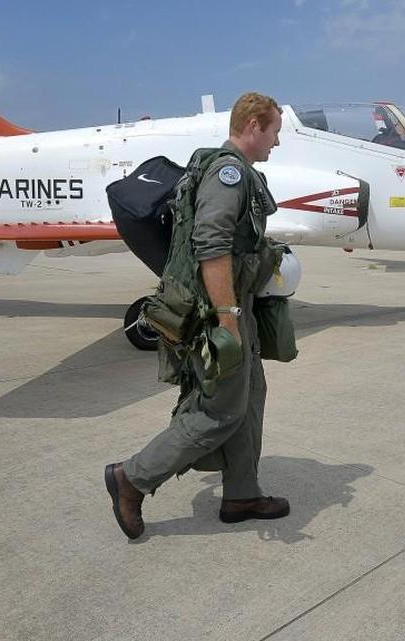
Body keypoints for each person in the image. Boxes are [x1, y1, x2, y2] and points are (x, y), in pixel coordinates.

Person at [104, 92, 289, 540]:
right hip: (217, 311)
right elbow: (211, 245)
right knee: (218, 410)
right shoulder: (228, 174)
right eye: (274, 132)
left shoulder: (239, 172)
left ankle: (242, 494)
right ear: (253, 125)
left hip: (235, 306)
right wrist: (227, 318)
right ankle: (132, 478)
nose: (277, 142)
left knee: (249, 396)